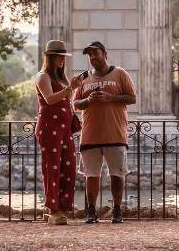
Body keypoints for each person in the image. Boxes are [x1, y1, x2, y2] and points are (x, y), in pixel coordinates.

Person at [73, 41, 137, 224]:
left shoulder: (120, 73)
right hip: (90, 135)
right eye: (90, 55)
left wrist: (110, 98)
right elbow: (75, 104)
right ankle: (91, 211)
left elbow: (132, 98)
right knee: (91, 176)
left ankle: (117, 210)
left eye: (96, 53)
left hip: (115, 134)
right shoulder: (83, 78)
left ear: (105, 54)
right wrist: (88, 100)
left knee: (117, 174)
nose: (93, 57)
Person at [34, 39, 85, 225]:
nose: (62, 59)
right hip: (49, 129)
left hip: (64, 129)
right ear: (50, 57)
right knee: (52, 168)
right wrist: (71, 88)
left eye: (63, 56)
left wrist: (73, 88)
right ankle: (53, 209)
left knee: (68, 167)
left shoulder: (60, 77)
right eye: (59, 56)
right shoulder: (42, 76)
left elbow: (65, 100)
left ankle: (58, 207)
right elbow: (49, 99)